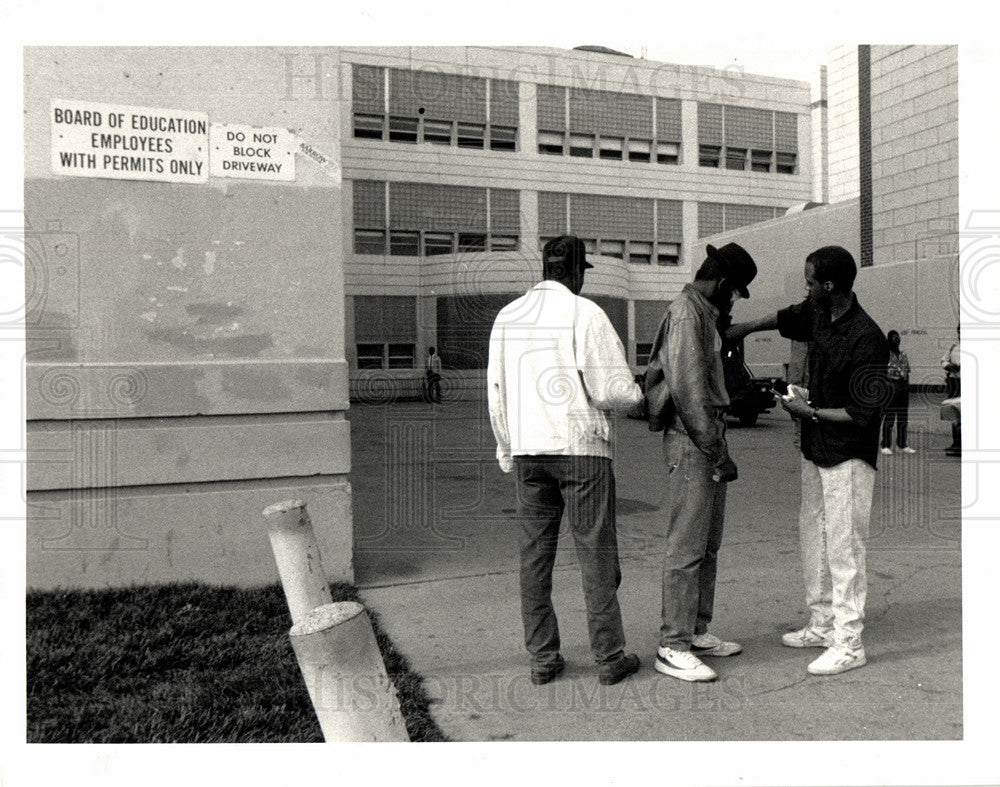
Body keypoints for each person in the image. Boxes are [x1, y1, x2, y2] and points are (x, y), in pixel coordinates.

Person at [487, 235, 645, 687]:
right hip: (581, 449)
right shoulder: (585, 312)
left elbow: (495, 392)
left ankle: (542, 657)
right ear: (576, 272)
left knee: (534, 558)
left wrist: (506, 446)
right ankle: (609, 656)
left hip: (528, 452)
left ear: (546, 268)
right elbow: (611, 389)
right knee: (596, 554)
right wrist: (639, 399)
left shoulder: (508, 316)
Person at [728, 246, 888, 676]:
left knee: (844, 545)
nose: (807, 288)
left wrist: (809, 413)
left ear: (829, 286)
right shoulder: (818, 314)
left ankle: (849, 641)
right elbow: (783, 318)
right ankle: (821, 624)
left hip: (848, 457)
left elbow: (861, 414)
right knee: (814, 537)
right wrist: (740, 329)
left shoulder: (867, 337)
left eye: (811, 281)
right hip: (815, 451)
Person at [647, 243, 757, 683]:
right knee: (687, 547)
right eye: (735, 293)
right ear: (725, 284)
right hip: (694, 439)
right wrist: (718, 451)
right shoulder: (688, 315)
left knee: (707, 544)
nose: (733, 301)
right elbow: (690, 394)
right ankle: (672, 644)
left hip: (706, 437)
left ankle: (696, 630)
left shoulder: (703, 313)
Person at [881, 330, 915, 455]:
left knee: (903, 417)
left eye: (898, 337)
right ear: (888, 340)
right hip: (891, 386)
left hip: (903, 387)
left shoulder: (903, 354)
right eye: (893, 337)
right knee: (889, 416)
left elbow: (907, 371)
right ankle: (885, 445)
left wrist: (907, 386)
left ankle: (902, 444)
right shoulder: (885, 355)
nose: (896, 340)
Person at [942, 325, 961, 456]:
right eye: (959, 331)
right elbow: (943, 360)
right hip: (955, 384)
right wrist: (949, 366)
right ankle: (956, 444)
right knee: (954, 413)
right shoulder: (953, 347)